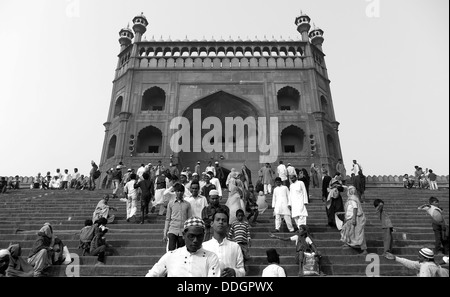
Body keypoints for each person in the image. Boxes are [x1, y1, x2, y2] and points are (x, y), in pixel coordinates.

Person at [145, 217, 221, 277]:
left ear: (203, 236)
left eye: (199, 236)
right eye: (191, 236)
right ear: (184, 235)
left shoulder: (211, 258)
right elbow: (152, 274)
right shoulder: (171, 256)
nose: (195, 240)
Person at [203, 207, 246, 277]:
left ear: (228, 226)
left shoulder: (235, 246)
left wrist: (234, 272)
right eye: (218, 220)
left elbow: (242, 271)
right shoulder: (204, 246)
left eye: (224, 220)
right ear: (212, 224)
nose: (221, 222)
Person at [164, 183, 192, 251]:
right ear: (175, 192)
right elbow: (168, 219)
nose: (179, 193)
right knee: (171, 250)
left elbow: (189, 219)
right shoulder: (171, 204)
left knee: (181, 250)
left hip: (183, 231)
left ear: (183, 192)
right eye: (177, 191)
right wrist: (165, 232)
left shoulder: (187, 204)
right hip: (173, 229)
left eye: (181, 191)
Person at [340, 186, 368, 255]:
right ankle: (348, 243)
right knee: (347, 231)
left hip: (354, 218)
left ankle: (364, 249)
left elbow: (355, 208)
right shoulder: (350, 199)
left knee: (359, 234)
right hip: (349, 218)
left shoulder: (353, 199)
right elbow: (350, 210)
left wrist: (354, 219)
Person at [384, 248, 449, 277]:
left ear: (426, 258)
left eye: (420, 257)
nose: (418, 258)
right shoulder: (433, 264)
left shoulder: (425, 266)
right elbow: (411, 263)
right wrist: (395, 258)